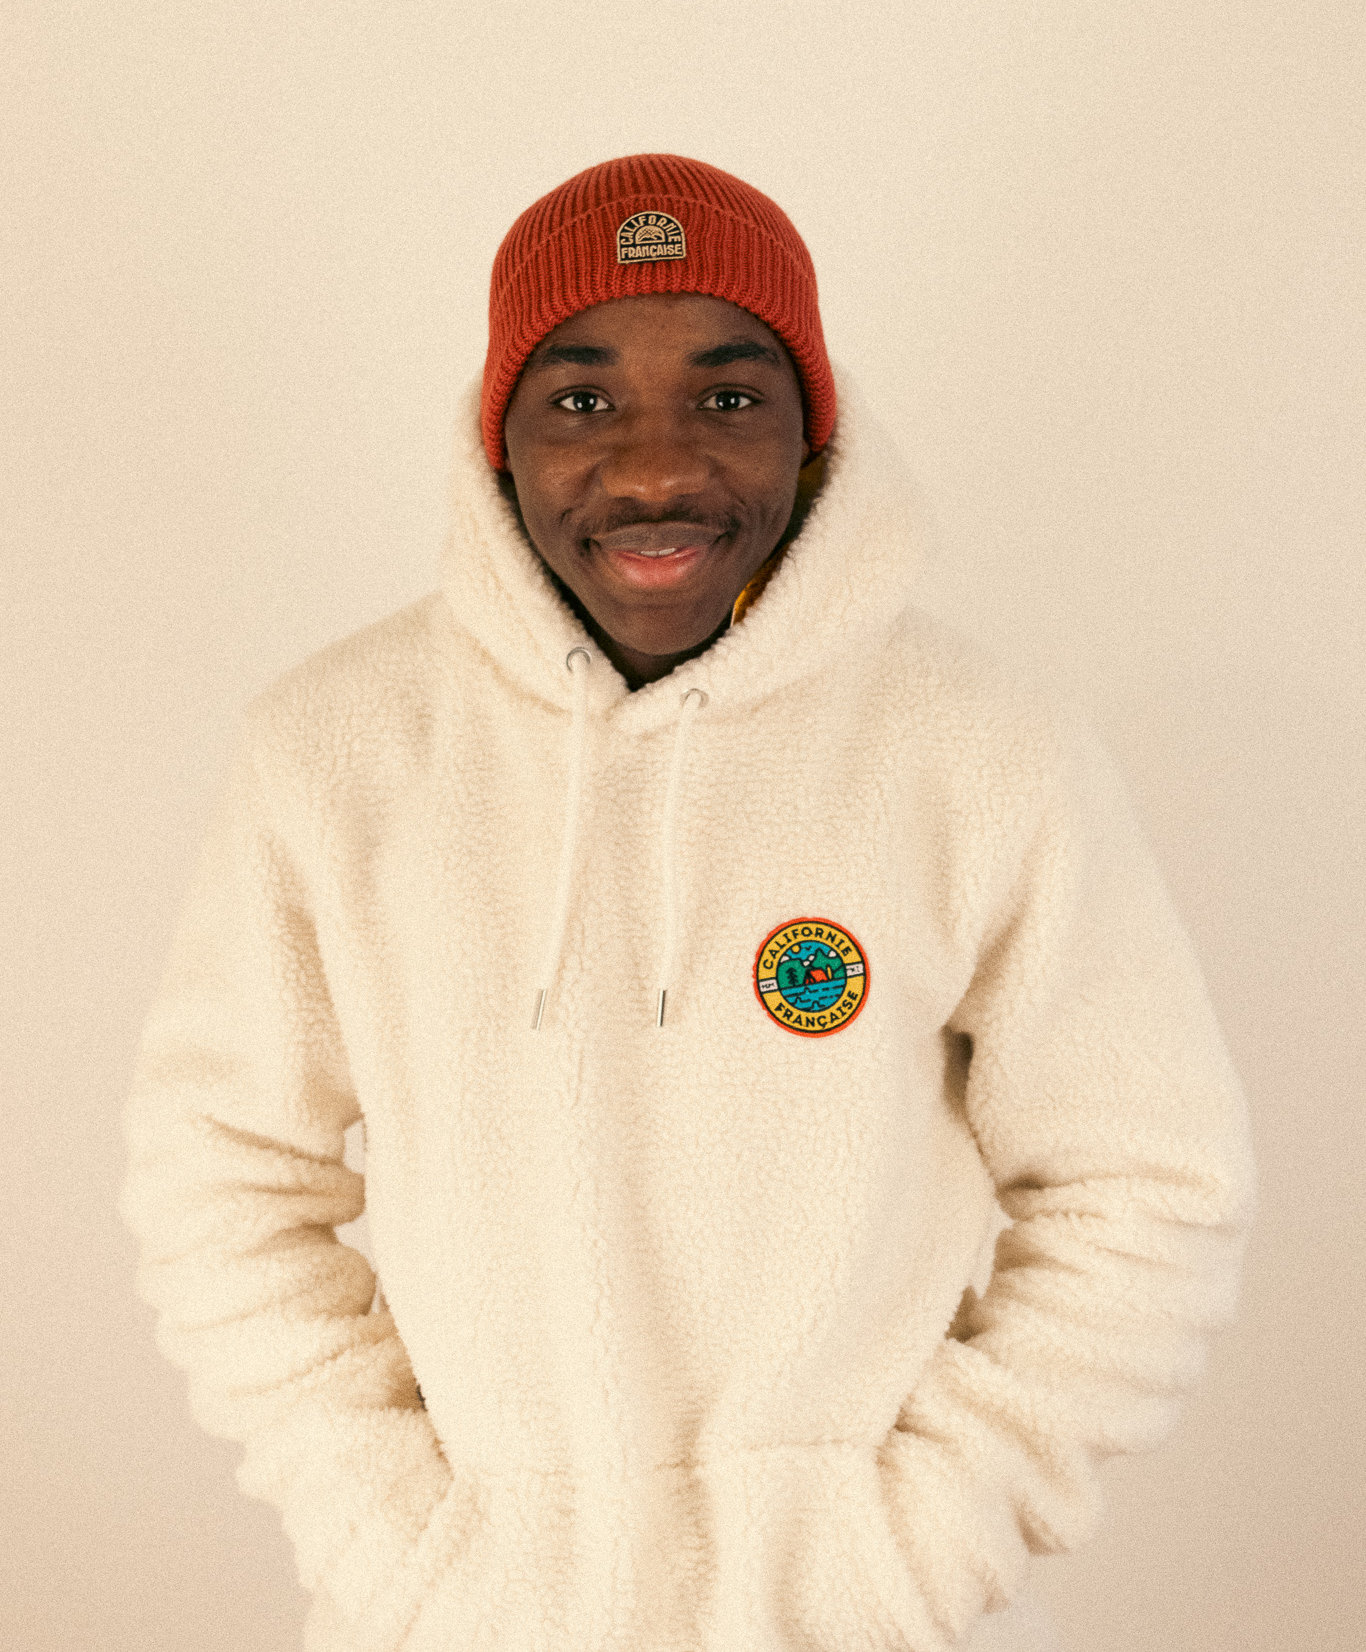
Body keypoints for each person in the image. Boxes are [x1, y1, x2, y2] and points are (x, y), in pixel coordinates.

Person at [121, 153, 1255, 1652]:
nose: (655, 469)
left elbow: (1144, 1184)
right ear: (498, 437)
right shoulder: (333, 753)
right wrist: (397, 1546)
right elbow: (221, 1180)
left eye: (727, 395)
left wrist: (911, 1554)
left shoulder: (981, 751)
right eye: (581, 399)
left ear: (812, 433)